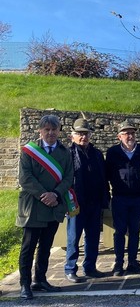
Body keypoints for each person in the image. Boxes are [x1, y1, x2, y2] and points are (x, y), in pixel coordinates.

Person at [16, 115, 73, 299]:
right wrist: (44, 195)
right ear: (40, 131)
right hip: (33, 206)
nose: (51, 133)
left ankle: (40, 279)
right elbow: (25, 178)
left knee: (46, 246)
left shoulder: (64, 153)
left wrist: (55, 194)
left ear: (59, 131)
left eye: (54, 129)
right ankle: (25, 284)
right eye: (47, 129)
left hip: (54, 205)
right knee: (28, 247)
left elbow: (68, 178)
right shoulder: (29, 151)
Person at [65, 118, 110, 282]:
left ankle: (90, 267)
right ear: (73, 136)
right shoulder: (68, 154)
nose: (83, 137)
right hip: (76, 202)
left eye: (85, 134)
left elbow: (103, 177)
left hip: (95, 200)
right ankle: (70, 268)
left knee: (93, 236)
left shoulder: (97, 154)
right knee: (73, 237)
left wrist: (105, 197)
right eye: (79, 134)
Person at [105, 120, 140, 276]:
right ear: (119, 136)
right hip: (120, 197)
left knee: (135, 231)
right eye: (126, 133)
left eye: (132, 133)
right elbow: (107, 175)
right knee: (120, 231)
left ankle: (132, 261)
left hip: (138, 197)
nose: (130, 136)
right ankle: (118, 263)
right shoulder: (112, 152)